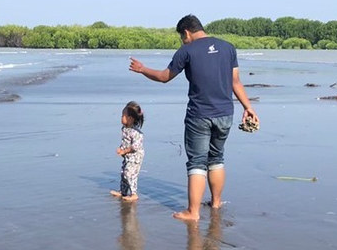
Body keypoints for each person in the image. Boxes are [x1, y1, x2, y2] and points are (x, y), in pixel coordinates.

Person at [129, 14, 259, 221]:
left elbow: (164, 77)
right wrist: (248, 107)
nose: (183, 40)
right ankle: (216, 203)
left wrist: (142, 69)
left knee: (197, 162)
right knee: (216, 158)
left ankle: (193, 212)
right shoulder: (228, 48)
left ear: (186, 32)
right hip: (225, 114)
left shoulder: (187, 50)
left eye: (182, 37)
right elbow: (235, 82)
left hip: (199, 115)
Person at [110, 101, 145, 202]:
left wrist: (124, 151)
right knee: (123, 173)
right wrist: (121, 149)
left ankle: (134, 193)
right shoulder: (125, 129)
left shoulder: (136, 133)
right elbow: (125, 141)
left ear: (130, 118)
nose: (121, 117)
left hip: (135, 157)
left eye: (123, 115)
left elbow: (134, 147)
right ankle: (123, 191)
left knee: (129, 173)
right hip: (128, 156)